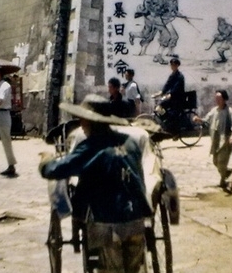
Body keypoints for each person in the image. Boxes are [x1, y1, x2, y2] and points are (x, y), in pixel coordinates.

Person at [39, 94, 152, 273]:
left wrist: (46, 162)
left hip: (107, 222)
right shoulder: (130, 143)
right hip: (137, 219)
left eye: (82, 120)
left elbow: (58, 169)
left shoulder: (91, 146)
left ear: (89, 121)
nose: (81, 124)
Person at [193, 90, 232, 189]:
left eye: (219, 98)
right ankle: (227, 171)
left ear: (224, 99)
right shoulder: (214, 110)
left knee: (221, 161)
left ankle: (222, 181)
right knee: (215, 161)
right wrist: (199, 119)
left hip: (225, 140)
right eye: (216, 98)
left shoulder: (229, 111)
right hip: (215, 140)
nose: (217, 100)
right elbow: (206, 120)